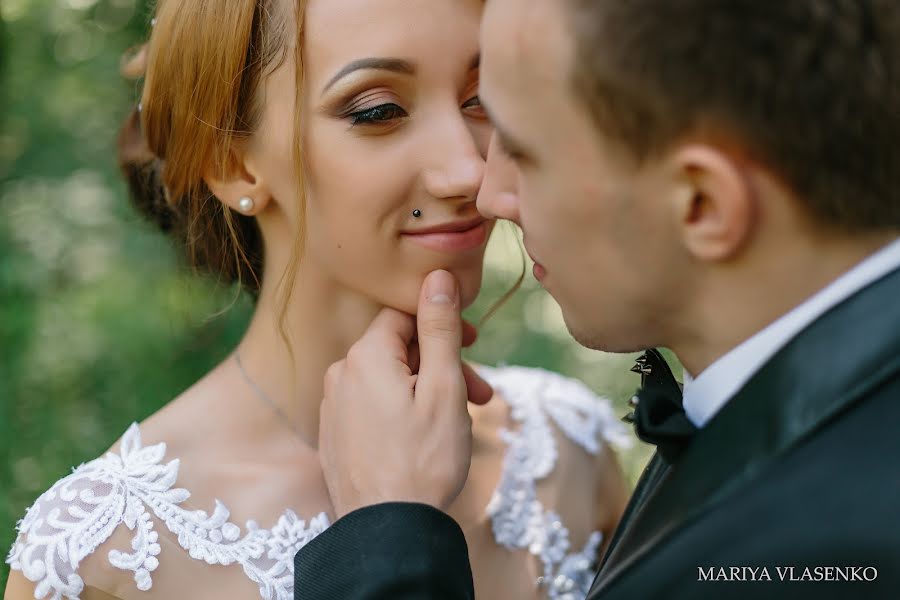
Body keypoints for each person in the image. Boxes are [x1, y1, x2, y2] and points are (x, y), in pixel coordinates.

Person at [4, 1, 632, 599]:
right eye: (379, 110)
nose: (470, 170)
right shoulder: (106, 556)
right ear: (233, 163)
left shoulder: (569, 450)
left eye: (479, 98)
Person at [295, 0, 900, 598]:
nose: (486, 194)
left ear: (702, 204)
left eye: (523, 151)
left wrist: (386, 535)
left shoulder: (831, 552)